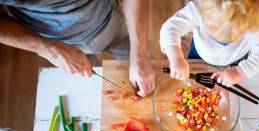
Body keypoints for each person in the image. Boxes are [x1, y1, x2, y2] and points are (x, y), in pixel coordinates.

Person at [0, 0, 155, 97]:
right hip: (56, 42)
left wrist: (139, 57)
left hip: (110, 21)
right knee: (91, 87)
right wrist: (47, 49)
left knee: (143, 73)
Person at [160, 0, 259, 88]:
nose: (223, 41)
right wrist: (176, 57)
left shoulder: (255, 23)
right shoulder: (201, 7)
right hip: (199, 54)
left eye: (233, 38)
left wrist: (239, 72)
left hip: (236, 60)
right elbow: (170, 28)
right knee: (193, 83)